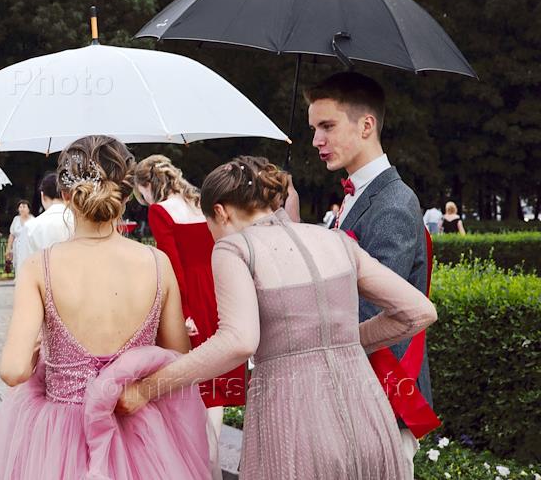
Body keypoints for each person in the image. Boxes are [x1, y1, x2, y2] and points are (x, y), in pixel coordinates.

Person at [120, 156, 437, 480]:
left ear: (220, 212)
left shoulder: (235, 249)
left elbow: (238, 341)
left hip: (293, 420)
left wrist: (147, 389)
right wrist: (344, 341)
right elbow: (419, 311)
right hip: (371, 417)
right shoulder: (335, 239)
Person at [0, 136, 209, 479]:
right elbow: (178, 359)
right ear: (126, 195)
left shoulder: (39, 267)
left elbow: (13, 371)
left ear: (65, 195)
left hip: (59, 437)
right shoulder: (157, 263)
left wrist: (41, 352)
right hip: (140, 433)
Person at [306, 71, 435, 463]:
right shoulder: (359, 195)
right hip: (358, 393)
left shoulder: (392, 203)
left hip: (379, 395)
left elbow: (375, 311)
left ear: (366, 125)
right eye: (313, 129)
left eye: (327, 126)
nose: (316, 141)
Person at [137, 154, 246, 469]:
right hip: (219, 288)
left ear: (147, 185)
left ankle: (204, 462)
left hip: (192, 297)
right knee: (216, 381)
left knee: (197, 381)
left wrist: (182, 312)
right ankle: (211, 460)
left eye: (140, 193)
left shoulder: (159, 211)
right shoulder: (199, 203)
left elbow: (172, 265)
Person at [15, 172, 73, 267]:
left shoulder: (31, 227)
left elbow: (23, 266)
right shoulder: (81, 223)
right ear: (67, 195)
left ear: (42, 195)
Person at [6, 199, 33, 272]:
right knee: (18, 268)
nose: (22, 209)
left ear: (28, 209)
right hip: (17, 248)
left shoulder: (33, 220)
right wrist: (8, 248)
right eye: (20, 207)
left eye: (24, 207)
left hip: (28, 248)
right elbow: (12, 234)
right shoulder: (16, 219)